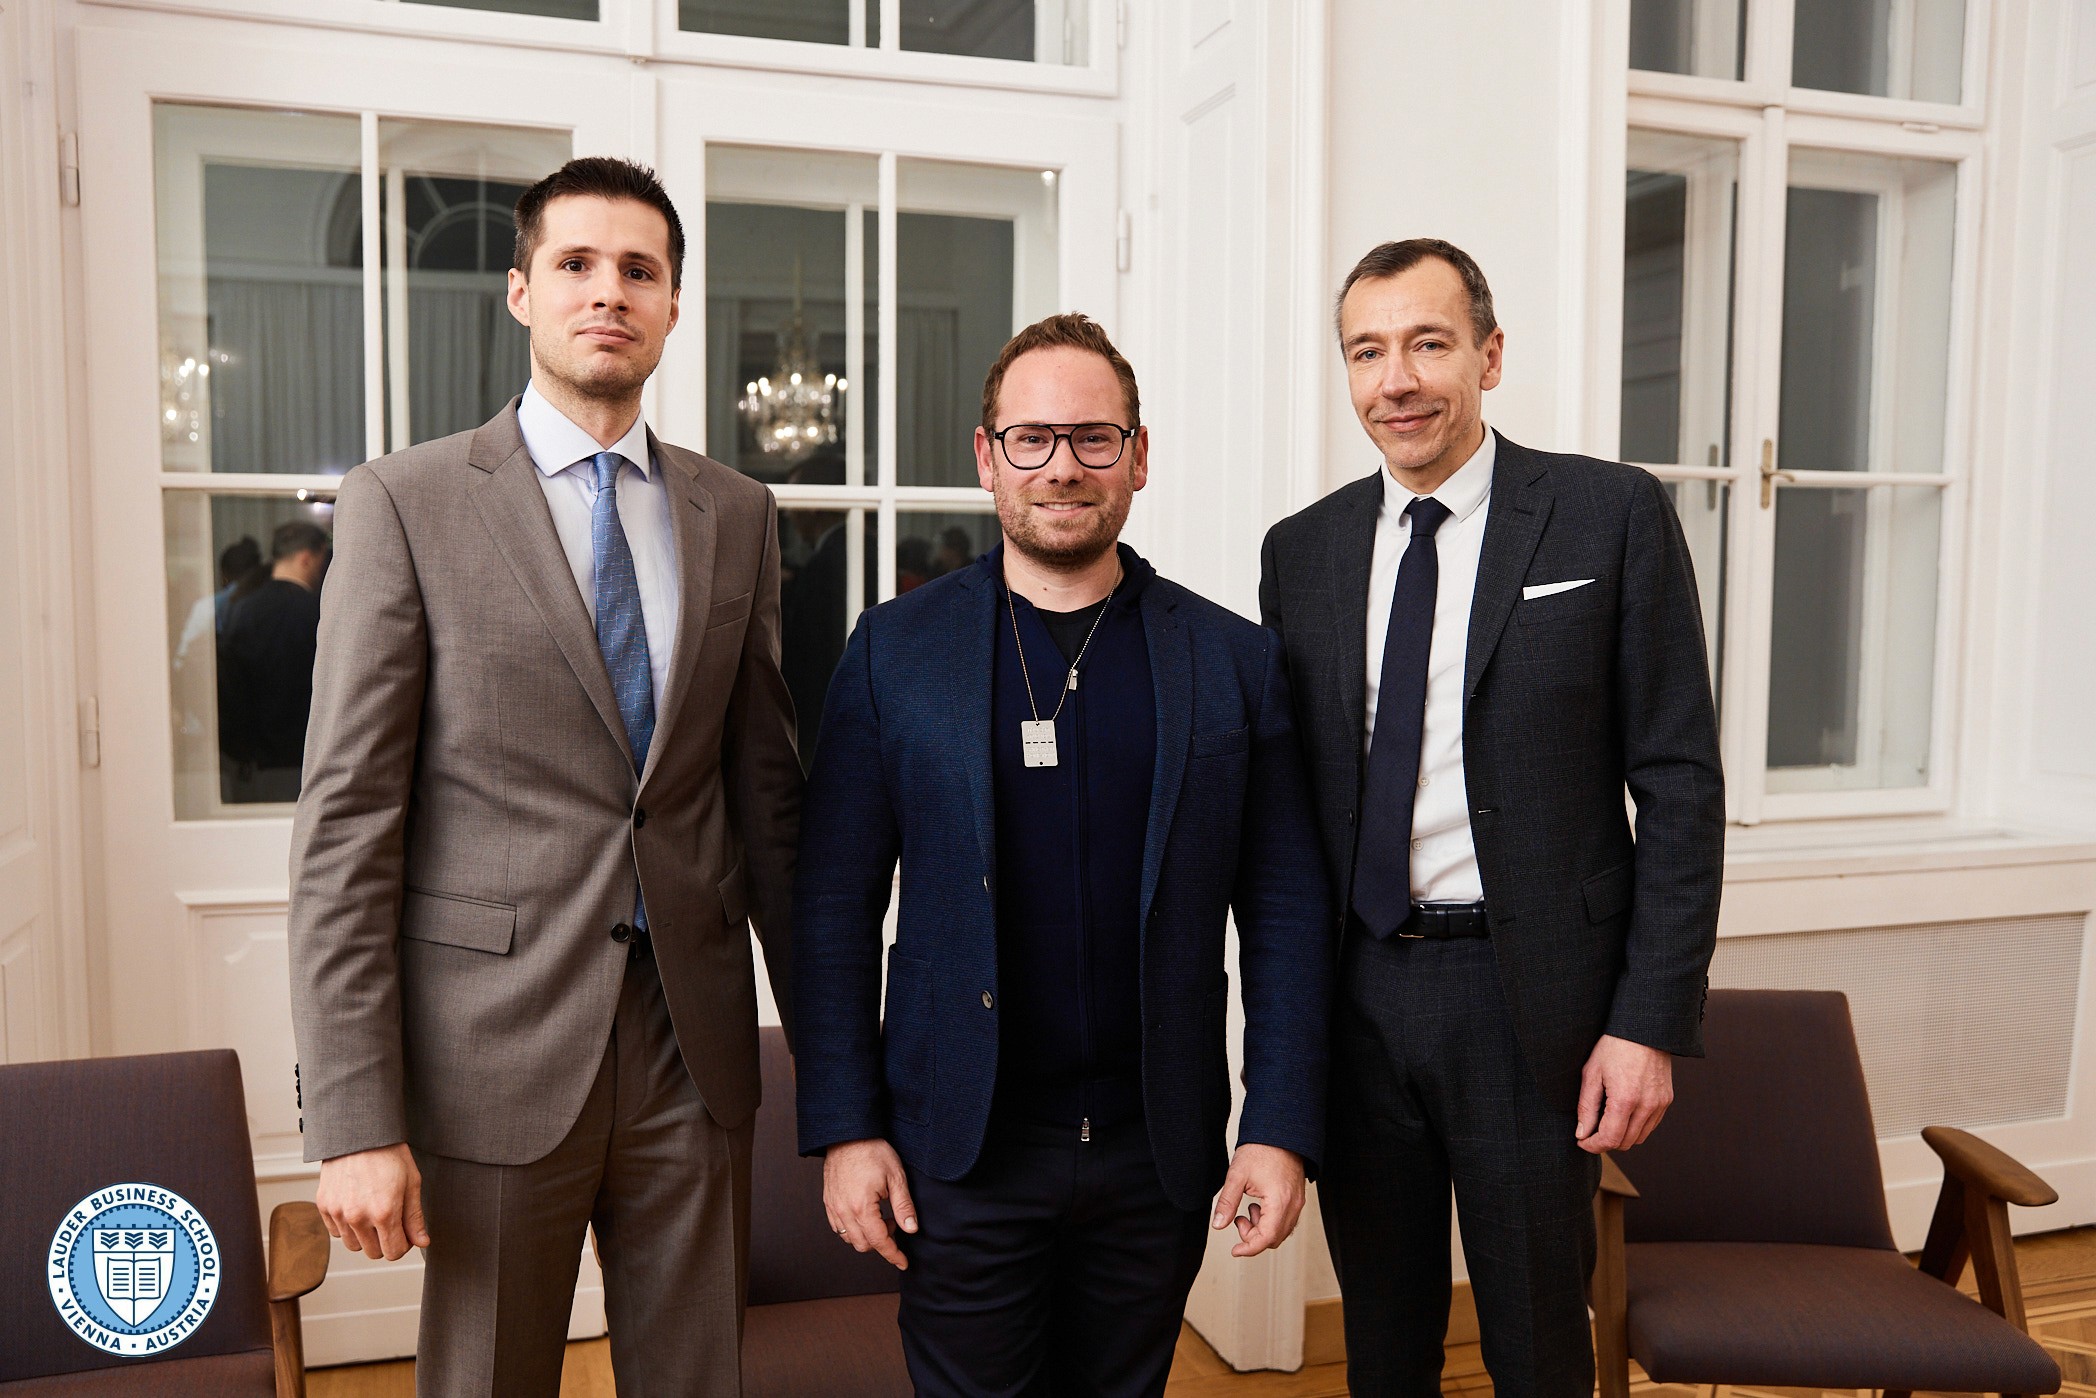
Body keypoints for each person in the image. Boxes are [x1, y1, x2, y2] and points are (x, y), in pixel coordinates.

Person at [288, 156, 802, 1397]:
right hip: (489, 1055)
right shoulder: (403, 503)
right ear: (520, 292)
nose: (607, 292)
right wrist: (356, 1118)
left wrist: (839, 1067)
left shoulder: (737, 512)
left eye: (640, 270)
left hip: (694, 1044)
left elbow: (767, 804)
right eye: (575, 264)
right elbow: (348, 824)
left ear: (673, 305)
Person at [794, 314, 1333, 1398]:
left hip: (1158, 1154)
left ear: (1138, 456)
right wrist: (845, 1127)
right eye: (1031, 439)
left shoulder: (1232, 661)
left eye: (1092, 438)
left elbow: (1284, 914)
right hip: (959, 1151)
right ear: (986, 456)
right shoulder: (893, 654)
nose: (1062, 467)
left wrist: (1276, 1128)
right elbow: (832, 908)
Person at [1258, 239, 1724, 1396]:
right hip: (1357, 994)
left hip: (1533, 999)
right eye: (1366, 352)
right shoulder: (1299, 552)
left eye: (1426, 343)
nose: (1395, 380)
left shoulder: (1606, 516)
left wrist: (1646, 1019)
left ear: (1489, 354)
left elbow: (1678, 780)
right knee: (1382, 1335)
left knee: (1534, 1340)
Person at [217, 521, 329, 803]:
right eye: (321, 559)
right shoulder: (318, 613)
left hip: (253, 764)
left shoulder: (240, 609)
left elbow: (231, 688)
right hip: (308, 759)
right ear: (306, 558)